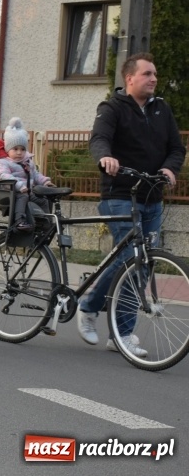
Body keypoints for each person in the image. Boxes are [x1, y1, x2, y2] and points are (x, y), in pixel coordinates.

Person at [78, 52, 186, 356]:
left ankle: (112, 329)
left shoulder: (162, 110)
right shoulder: (112, 108)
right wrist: (105, 158)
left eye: (155, 74)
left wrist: (170, 168)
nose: (154, 79)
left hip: (152, 198)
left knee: (142, 265)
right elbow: (99, 139)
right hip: (119, 195)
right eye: (147, 74)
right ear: (130, 78)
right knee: (130, 258)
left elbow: (176, 148)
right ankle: (108, 321)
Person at [0, 117, 55, 231]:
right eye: (15, 149)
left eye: (22, 149)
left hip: (28, 191)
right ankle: (19, 220)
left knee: (43, 200)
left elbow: (35, 175)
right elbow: (2, 175)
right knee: (23, 196)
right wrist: (18, 185)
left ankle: (45, 221)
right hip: (12, 191)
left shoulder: (27, 162)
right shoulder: (3, 162)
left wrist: (45, 181)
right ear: (8, 149)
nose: (19, 152)